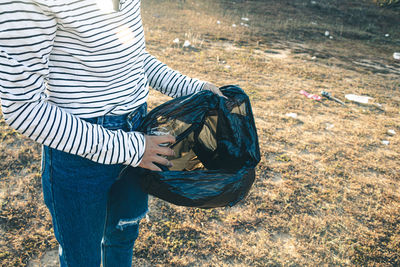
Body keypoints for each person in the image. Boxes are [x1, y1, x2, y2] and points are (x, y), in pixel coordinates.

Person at [0, 0, 223, 266]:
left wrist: (192, 88)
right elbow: (22, 107)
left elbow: (131, 56)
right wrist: (132, 149)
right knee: (82, 258)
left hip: (140, 133)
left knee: (122, 240)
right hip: (80, 152)